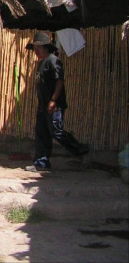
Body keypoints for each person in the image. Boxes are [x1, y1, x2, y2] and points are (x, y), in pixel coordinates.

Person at [26, 31, 89, 171]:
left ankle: (80, 150)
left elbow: (59, 81)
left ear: (46, 47)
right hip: (43, 105)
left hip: (54, 105)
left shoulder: (53, 61)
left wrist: (53, 100)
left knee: (56, 131)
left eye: (38, 48)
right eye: (35, 48)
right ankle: (41, 162)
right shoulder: (41, 63)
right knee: (41, 133)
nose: (36, 51)